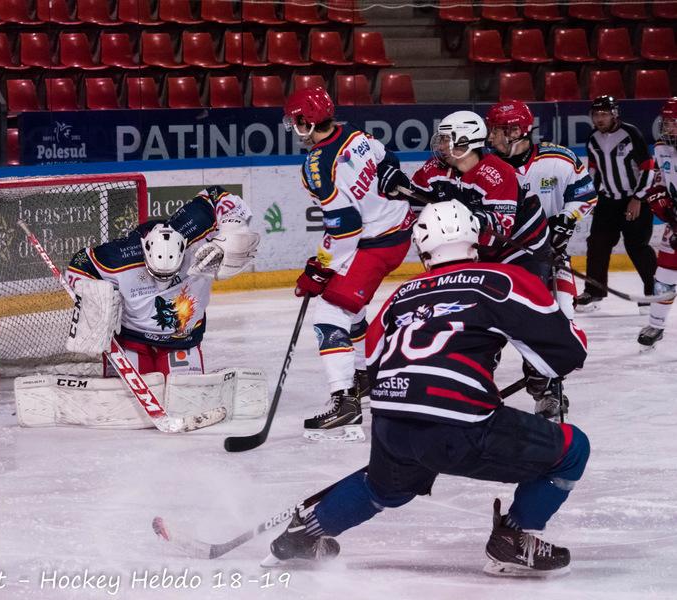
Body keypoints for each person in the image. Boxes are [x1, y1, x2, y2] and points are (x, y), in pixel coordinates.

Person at [264, 200, 590, 577]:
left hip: (391, 421)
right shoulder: (501, 280)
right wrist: (565, 313)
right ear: (476, 240)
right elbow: (566, 355)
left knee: (384, 487)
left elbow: (374, 360)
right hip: (460, 425)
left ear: (422, 249)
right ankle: (514, 538)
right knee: (572, 450)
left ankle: (305, 534)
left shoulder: (402, 294)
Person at [283, 86, 415, 441]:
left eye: (296, 121)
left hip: (375, 244)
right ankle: (364, 374)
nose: (294, 128)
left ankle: (345, 401)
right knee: (351, 306)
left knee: (329, 313)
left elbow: (346, 227)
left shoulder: (316, 166)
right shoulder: (356, 135)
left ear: (306, 122)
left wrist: (321, 267)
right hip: (396, 232)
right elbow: (389, 159)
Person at [66, 186, 260, 376]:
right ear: (145, 254)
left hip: (183, 339)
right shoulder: (119, 256)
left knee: (184, 394)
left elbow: (216, 194)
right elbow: (80, 264)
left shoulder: (195, 228)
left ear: (184, 248)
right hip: (131, 338)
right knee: (123, 396)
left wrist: (232, 229)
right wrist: (95, 300)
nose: (163, 283)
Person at [485, 100, 598, 419]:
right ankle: (477, 384)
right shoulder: (485, 167)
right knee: (488, 327)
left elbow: (586, 194)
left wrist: (567, 218)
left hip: (550, 258)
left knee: (559, 320)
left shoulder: (558, 159)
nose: (491, 137)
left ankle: (547, 387)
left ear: (516, 131)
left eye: (497, 130)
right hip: (498, 264)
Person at [411, 110, 552, 282]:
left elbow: (501, 228)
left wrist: (467, 222)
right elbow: (413, 202)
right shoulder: (434, 168)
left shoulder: (498, 172)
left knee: (523, 292)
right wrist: (396, 186)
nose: (440, 146)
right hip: (479, 250)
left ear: (464, 140)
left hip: (522, 243)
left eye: (446, 139)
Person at [578, 95, 657, 313]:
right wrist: (591, 198)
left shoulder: (631, 134)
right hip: (608, 201)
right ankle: (594, 292)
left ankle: (654, 293)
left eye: (604, 114)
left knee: (637, 247)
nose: (599, 118)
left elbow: (648, 167)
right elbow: (593, 171)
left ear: (614, 114)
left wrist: (638, 198)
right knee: (597, 244)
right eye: (596, 114)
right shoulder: (593, 138)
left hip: (634, 200)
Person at [638, 97, 677, 348]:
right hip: (676, 221)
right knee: (664, 275)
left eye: (674, 122)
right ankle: (656, 324)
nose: (668, 127)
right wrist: (661, 200)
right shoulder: (662, 148)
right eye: (667, 122)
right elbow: (660, 181)